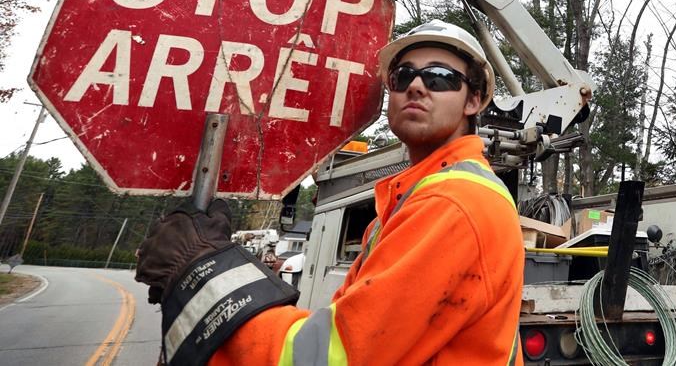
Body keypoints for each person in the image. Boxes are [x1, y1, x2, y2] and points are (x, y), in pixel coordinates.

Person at [136, 20, 525, 366]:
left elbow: (333, 356)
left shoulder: (453, 203)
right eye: (403, 76)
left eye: (440, 77)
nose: (418, 86)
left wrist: (206, 276)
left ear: (473, 101)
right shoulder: (411, 200)